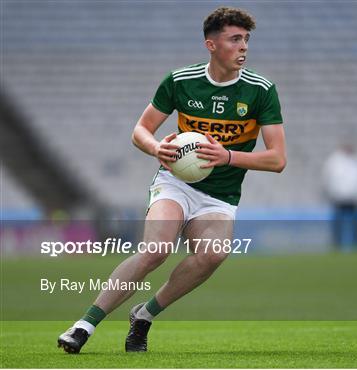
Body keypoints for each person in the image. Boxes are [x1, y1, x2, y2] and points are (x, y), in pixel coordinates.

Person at [57, 7, 286, 354]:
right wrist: (155, 148)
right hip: (176, 183)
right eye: (235, 39)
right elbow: (141, 130)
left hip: (220, 195)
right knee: (156, 250)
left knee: (213, 255)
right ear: (211, 44)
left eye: (246, 39)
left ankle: (144, 315)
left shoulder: (260, 90)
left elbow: (277, 159)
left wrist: (227, 156)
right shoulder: (180, 81)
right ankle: (83, 326)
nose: (244, 47)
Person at [322, 143, 357, 250]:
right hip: (339, 198)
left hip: (354, 198)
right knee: (339, 225)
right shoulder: (334, 161)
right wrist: (331, 192)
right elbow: (327, 178)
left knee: (356, 225)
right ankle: (337, 245)